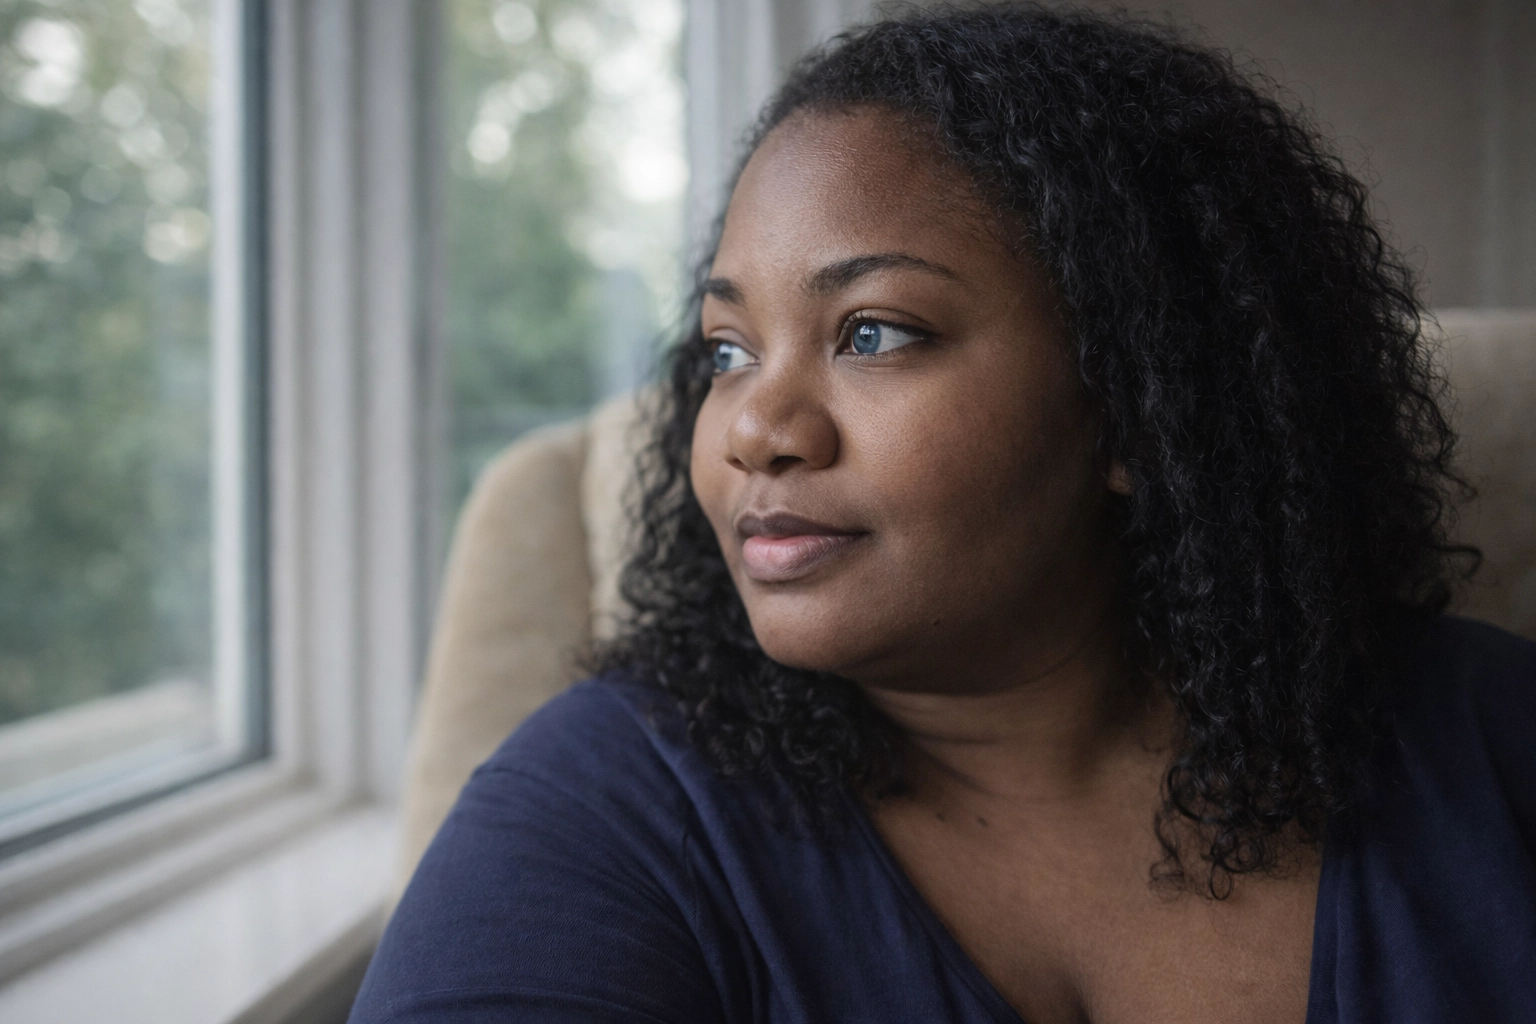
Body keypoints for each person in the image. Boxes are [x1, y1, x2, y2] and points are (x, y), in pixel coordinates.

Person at [350, 5, 1536, 1022]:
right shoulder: (599, 812)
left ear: (1136, 403)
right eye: (726, 348)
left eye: (872, 333)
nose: (757, 427)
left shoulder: (1494, 750)